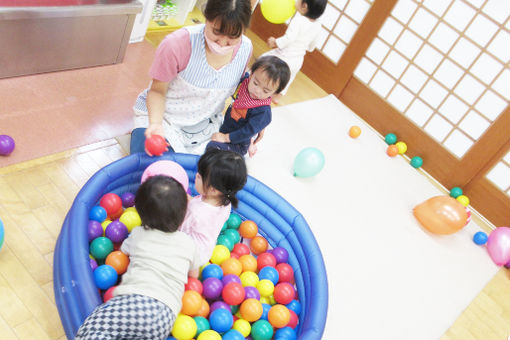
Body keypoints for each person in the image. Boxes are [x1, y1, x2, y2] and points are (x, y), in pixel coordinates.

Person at [75, 176, 200, 340]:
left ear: (141, 214)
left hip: (135, 302)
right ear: (182, 216)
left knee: (94, 331)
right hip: (166, 317)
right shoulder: (189, 243)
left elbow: (125, 251)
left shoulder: (138, 234)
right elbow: (194, 275)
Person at [131, 0, 253, 156]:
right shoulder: (177, 44)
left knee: (224, 175)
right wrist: (155, 124)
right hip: (164, 119)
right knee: (158, 173)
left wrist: (255, 117)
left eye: (232, 37)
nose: (222, 43)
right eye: (216, 32)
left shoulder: (246, 49)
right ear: (206, 17)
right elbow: (157, 92)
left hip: (206, 126)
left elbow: (242, 92)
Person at [205, 55, 290, 157]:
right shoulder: (244, 82)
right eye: (255, 83)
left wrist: (225, 138)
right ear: (251, 74)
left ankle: (247, 146)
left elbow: (247, 131)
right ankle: (250, 143)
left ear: (275, 93)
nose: (257, 90)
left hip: (238, 143)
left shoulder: (263, 111)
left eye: (265, 91)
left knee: (212, 147)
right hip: (227, 127)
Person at [179, 148, 247, 266]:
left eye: (200, 176)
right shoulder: (226, 202)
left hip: (187, 256)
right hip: (205, 252)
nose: (196, 175)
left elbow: (180, 230)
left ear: (213, 190)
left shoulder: (195, 210)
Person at [262, 0, 327, 103]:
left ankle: (253, 77)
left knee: (263, 59)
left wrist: (275, 42)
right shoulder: (318, 26)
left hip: (284, 55)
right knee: (289, 78)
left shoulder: (298, 20)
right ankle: (277, 96)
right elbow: (312, 46)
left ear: (304, 6)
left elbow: (289, 38)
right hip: (298, 60)